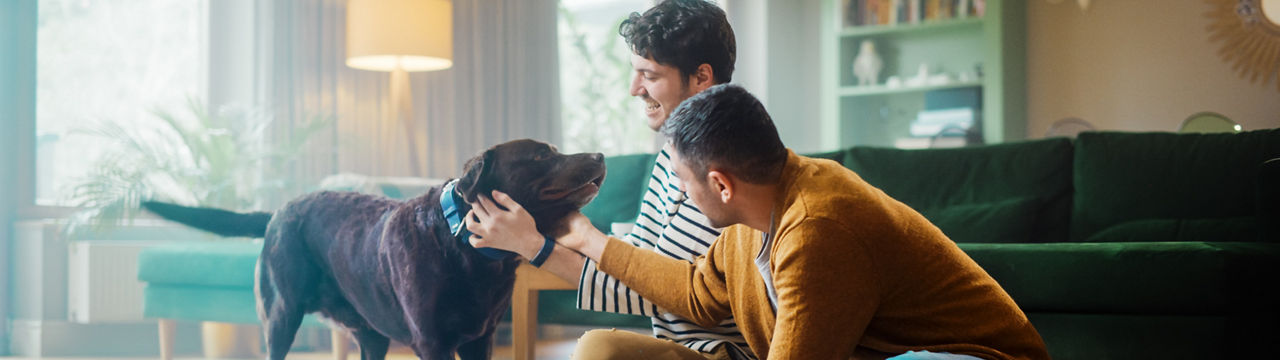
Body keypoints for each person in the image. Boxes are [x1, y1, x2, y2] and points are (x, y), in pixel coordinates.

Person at [466, 84, 1050, 359]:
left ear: (721, 183)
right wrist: (586, 239)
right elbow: (696, 292)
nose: (684, 195)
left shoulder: (820, 228)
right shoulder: (751, 211)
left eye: (686, 183)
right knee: (603, 352)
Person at [471, 1, 753, 359]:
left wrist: (537, 247)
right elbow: (638, 261)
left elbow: (657, 294)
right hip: (677, 346)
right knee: (597, 345)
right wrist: (551, 235)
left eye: (649, 75)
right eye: (635, 73)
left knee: (597, 347)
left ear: (701, 77)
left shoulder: (724, 172)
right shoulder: (673, 154)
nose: (634, 88)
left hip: (724, 352)